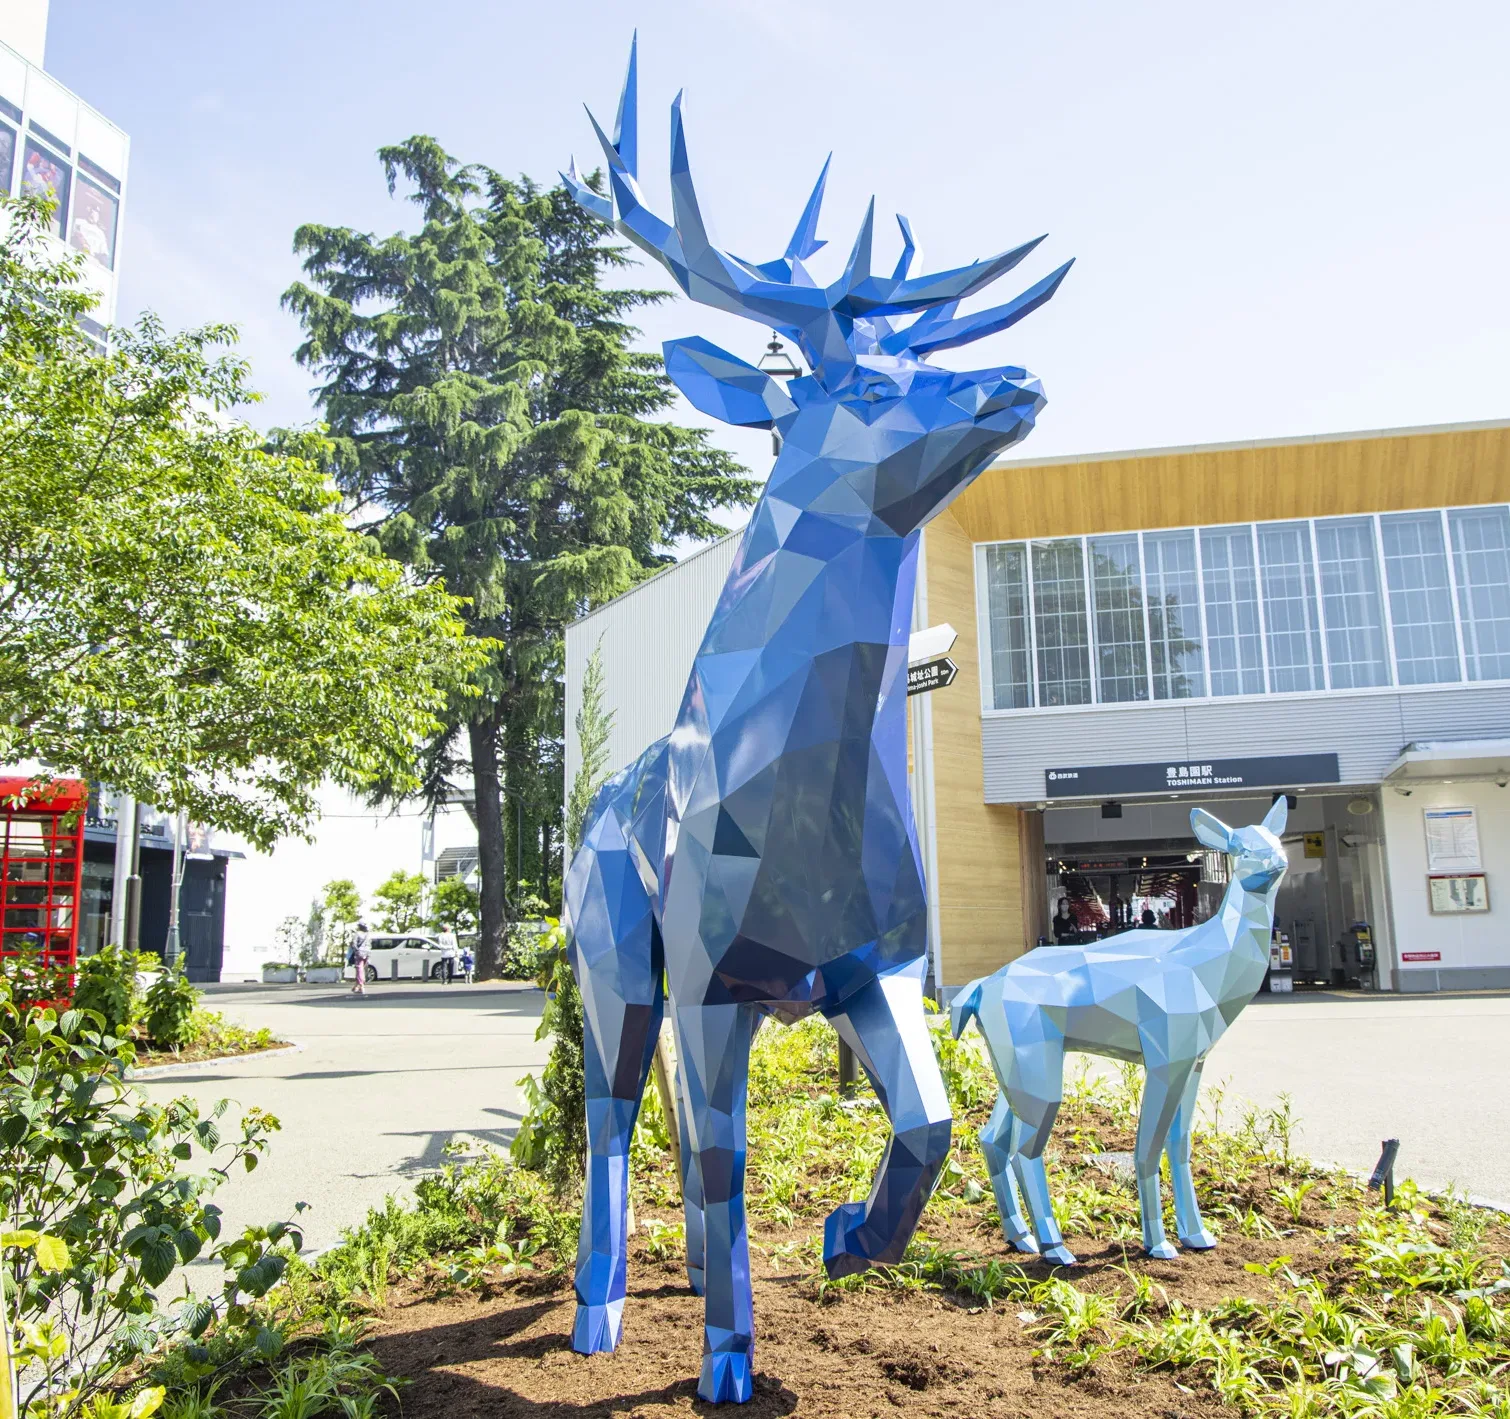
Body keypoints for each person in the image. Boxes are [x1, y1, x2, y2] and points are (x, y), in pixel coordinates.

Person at [350, 921, 372, 995]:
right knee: (362, 969)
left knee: (359, 969)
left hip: (360, 953)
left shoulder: (357, 934)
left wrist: (356, 951)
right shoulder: (368, 935)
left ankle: (361, 985)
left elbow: (354, 944)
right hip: (367, 953)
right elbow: (370, 944)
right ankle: (356, 986)